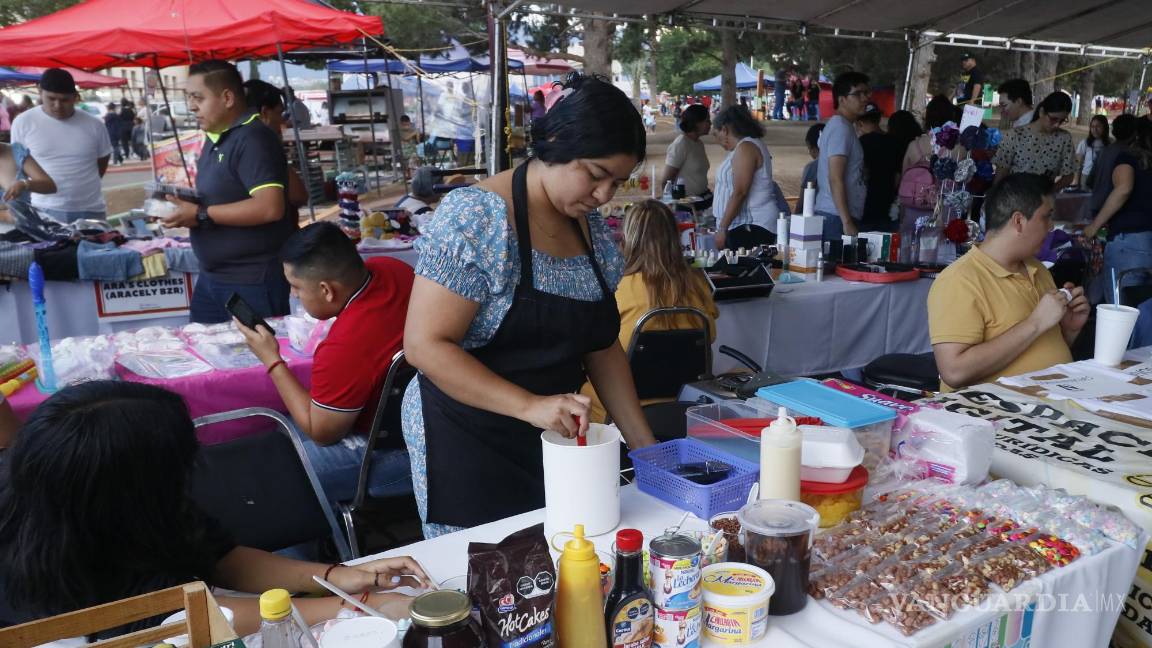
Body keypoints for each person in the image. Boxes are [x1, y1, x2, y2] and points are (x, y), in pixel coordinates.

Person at [400, 73, 658, 539]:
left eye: (617, 182)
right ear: (554, 142)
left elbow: (602, 348)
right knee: (490, 582)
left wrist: (646, 452)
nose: (604, 196)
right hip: (469, 437)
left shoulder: (592, 230)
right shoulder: (477, 217)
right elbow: (424, 345)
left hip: (555, 439)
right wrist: (530, 406)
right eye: (596, 175)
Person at [0, 381, 429, 637]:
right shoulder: (42, 567)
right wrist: (353, 608)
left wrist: (336, 577)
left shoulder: (124, 500)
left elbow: (219, 554)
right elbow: (186, 617)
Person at [236, 223, 415, 504]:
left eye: (295, 287)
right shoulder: (392, 268)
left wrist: (272, 360)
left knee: (271, 480)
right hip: (433, 425)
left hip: (398, 454)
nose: (293, 295)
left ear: (327, 290)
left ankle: (303, 542)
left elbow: (322, 433)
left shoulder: (344, 348)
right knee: (282, 432)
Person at [163, 60, 297, 324]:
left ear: (227, 97)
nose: (191, 106)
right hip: (214, 278)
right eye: (189, 98)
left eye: (198, 98)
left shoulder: (253, 139)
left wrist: (201, 214)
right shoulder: (217, 139)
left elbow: (270, 207)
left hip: (251, 280)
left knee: (257, 361)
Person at [927, 173, 1089, 391]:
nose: (1051, 227)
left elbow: (1039, 354)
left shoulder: (1037, 268)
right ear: (1019, 221)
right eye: (1046, 217)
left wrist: (1067, 330)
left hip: (1056, 400)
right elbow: (954, 372)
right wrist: (1036, 323)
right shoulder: (960, 280)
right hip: (996, 416)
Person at [579, 200, 718, 423]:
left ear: (627, 239)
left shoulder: (615, 288)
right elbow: (710, 337)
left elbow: (588, 351)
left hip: (615, 410)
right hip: (682, 405)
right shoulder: (698, 285)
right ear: (674, 238)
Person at [10, 69, 112, 223]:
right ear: (40, 92)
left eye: (65, 100)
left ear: (75, 97)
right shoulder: (23, 122)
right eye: (51, 98)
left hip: (90, 209)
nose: (57, 105)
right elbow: (18, 164)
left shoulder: (95, 125)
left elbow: (102, 161)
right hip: (44, 208)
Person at [1082, 119, 1152, 292]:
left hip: (1129, 241)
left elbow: (1123, 189)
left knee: (1120, 309)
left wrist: (1094, 226)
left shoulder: (1127, 157)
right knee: (1142, 307)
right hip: (1146, 239)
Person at [712, 104, 781, 250]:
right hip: (744, 224)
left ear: (725, 130)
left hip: (752, 224)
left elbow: (740, 192)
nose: (718, 141)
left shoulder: (746, 148)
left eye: (716, 134)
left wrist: (723, 228)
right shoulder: (742, 147)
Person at [816, 71, 870, 240]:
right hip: (836, 217)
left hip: (838, 215)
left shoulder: (845, 127)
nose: (865, 98)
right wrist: (846, 221)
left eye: (866, 93)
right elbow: (835, 177)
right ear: (841, 99)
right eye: (857, 94)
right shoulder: (840, 128)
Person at [242, 79, 309, 208]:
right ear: (265, 113)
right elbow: (298, 196)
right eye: (279, 113)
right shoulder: (262, 147)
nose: (281, 120)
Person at [993, 92, 1077, 190]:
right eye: (1053, 119)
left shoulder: (1064, 138)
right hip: (1014, 199)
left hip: (1044, 202)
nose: (1057, 125)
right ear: (1042, 112)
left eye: (1062, 121)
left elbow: (1068, 176)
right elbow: (1001, 174)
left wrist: (1049, 193)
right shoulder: (1014, 136)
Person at [858, 103, 901, 232]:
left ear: (860, 122)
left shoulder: (861, 143)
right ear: (879, 119)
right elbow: (898, 175)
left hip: (866, 205)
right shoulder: (893, 142)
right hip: (886, 203)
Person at [1089, 114, 1137, 220]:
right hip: (1113, 209)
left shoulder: (1104, 151)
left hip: (1096, 204)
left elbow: (1090, 180)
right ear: (1134, 133)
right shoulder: (1129, 154)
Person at [660, 104, 711, 201]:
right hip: (686, 205)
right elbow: (666, 181)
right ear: (697, 123)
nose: (710, 124)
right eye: (707, 121)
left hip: (702, 199)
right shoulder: (681, 144)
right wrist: (670, 203)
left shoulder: (699, 143)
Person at [794, 123, 825, 214]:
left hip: (816, 213)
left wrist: (796, 216)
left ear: (813, 148)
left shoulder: (812, 167)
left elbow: (803, 200)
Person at [1075, 115, 1111, 189]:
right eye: (1092, 126)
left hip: (1103, 178)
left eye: (1098, 126)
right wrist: (1076, 182)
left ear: (1105, 127)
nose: (1095, 129)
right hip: (1086, 177)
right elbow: (1078, 165)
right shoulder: (1084, 143)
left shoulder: (1111, 143)